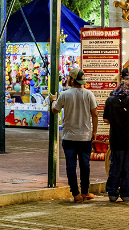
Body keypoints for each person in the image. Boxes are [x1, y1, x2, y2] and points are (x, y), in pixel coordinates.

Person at [49, 68, 98, 203]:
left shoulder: (65, 94)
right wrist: (94, 131)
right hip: (85, 136)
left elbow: (55, 110)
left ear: (71, 79)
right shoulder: (89, 94)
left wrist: (53, 100)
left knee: (70, 165)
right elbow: (95, 113)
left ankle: (76, 194)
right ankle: (85, 192)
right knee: (85, 165)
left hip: (69, 137)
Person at [103, 67, 129, 202]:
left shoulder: (111, 98)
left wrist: (117, 119)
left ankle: (112, 193)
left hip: (116, 137)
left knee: (115, 165)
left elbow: (105, 119)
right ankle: (126, 194)